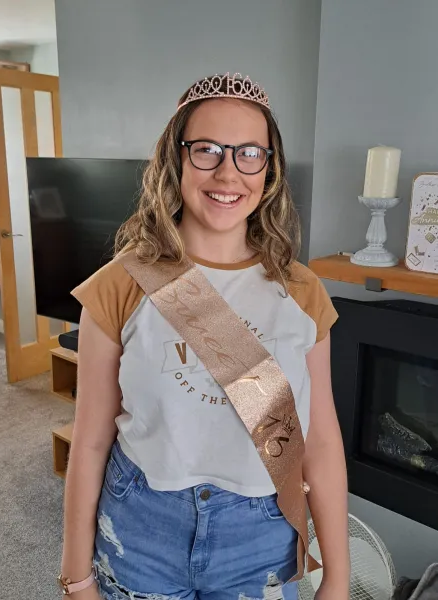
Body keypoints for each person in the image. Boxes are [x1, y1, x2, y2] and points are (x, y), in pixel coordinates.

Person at [59, 73, 350, 600]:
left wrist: (338, 576)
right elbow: (91, 439)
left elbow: (322, 441)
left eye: (249, 154)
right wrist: (76, 577)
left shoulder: (302, 292)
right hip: (141, 524)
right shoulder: (120, 284)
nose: (228, 171)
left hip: (260, 536)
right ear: (177, 158)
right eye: (207, 150)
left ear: (269, 168)